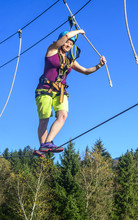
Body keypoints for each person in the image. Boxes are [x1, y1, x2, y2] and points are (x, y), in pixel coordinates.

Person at [34, 29, 106, 157]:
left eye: (71, 44)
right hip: (45, 89)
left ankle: (48, 142)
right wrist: (79, 31)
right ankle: (43, 146)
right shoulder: (52, 50)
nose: (68, 45)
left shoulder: (70, 61)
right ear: (61, 41)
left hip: (60, 92)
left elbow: (86, 71)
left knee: (63, 115)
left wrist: (99, 65)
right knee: (44, 119)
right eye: (67, 42)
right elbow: (66, 35)